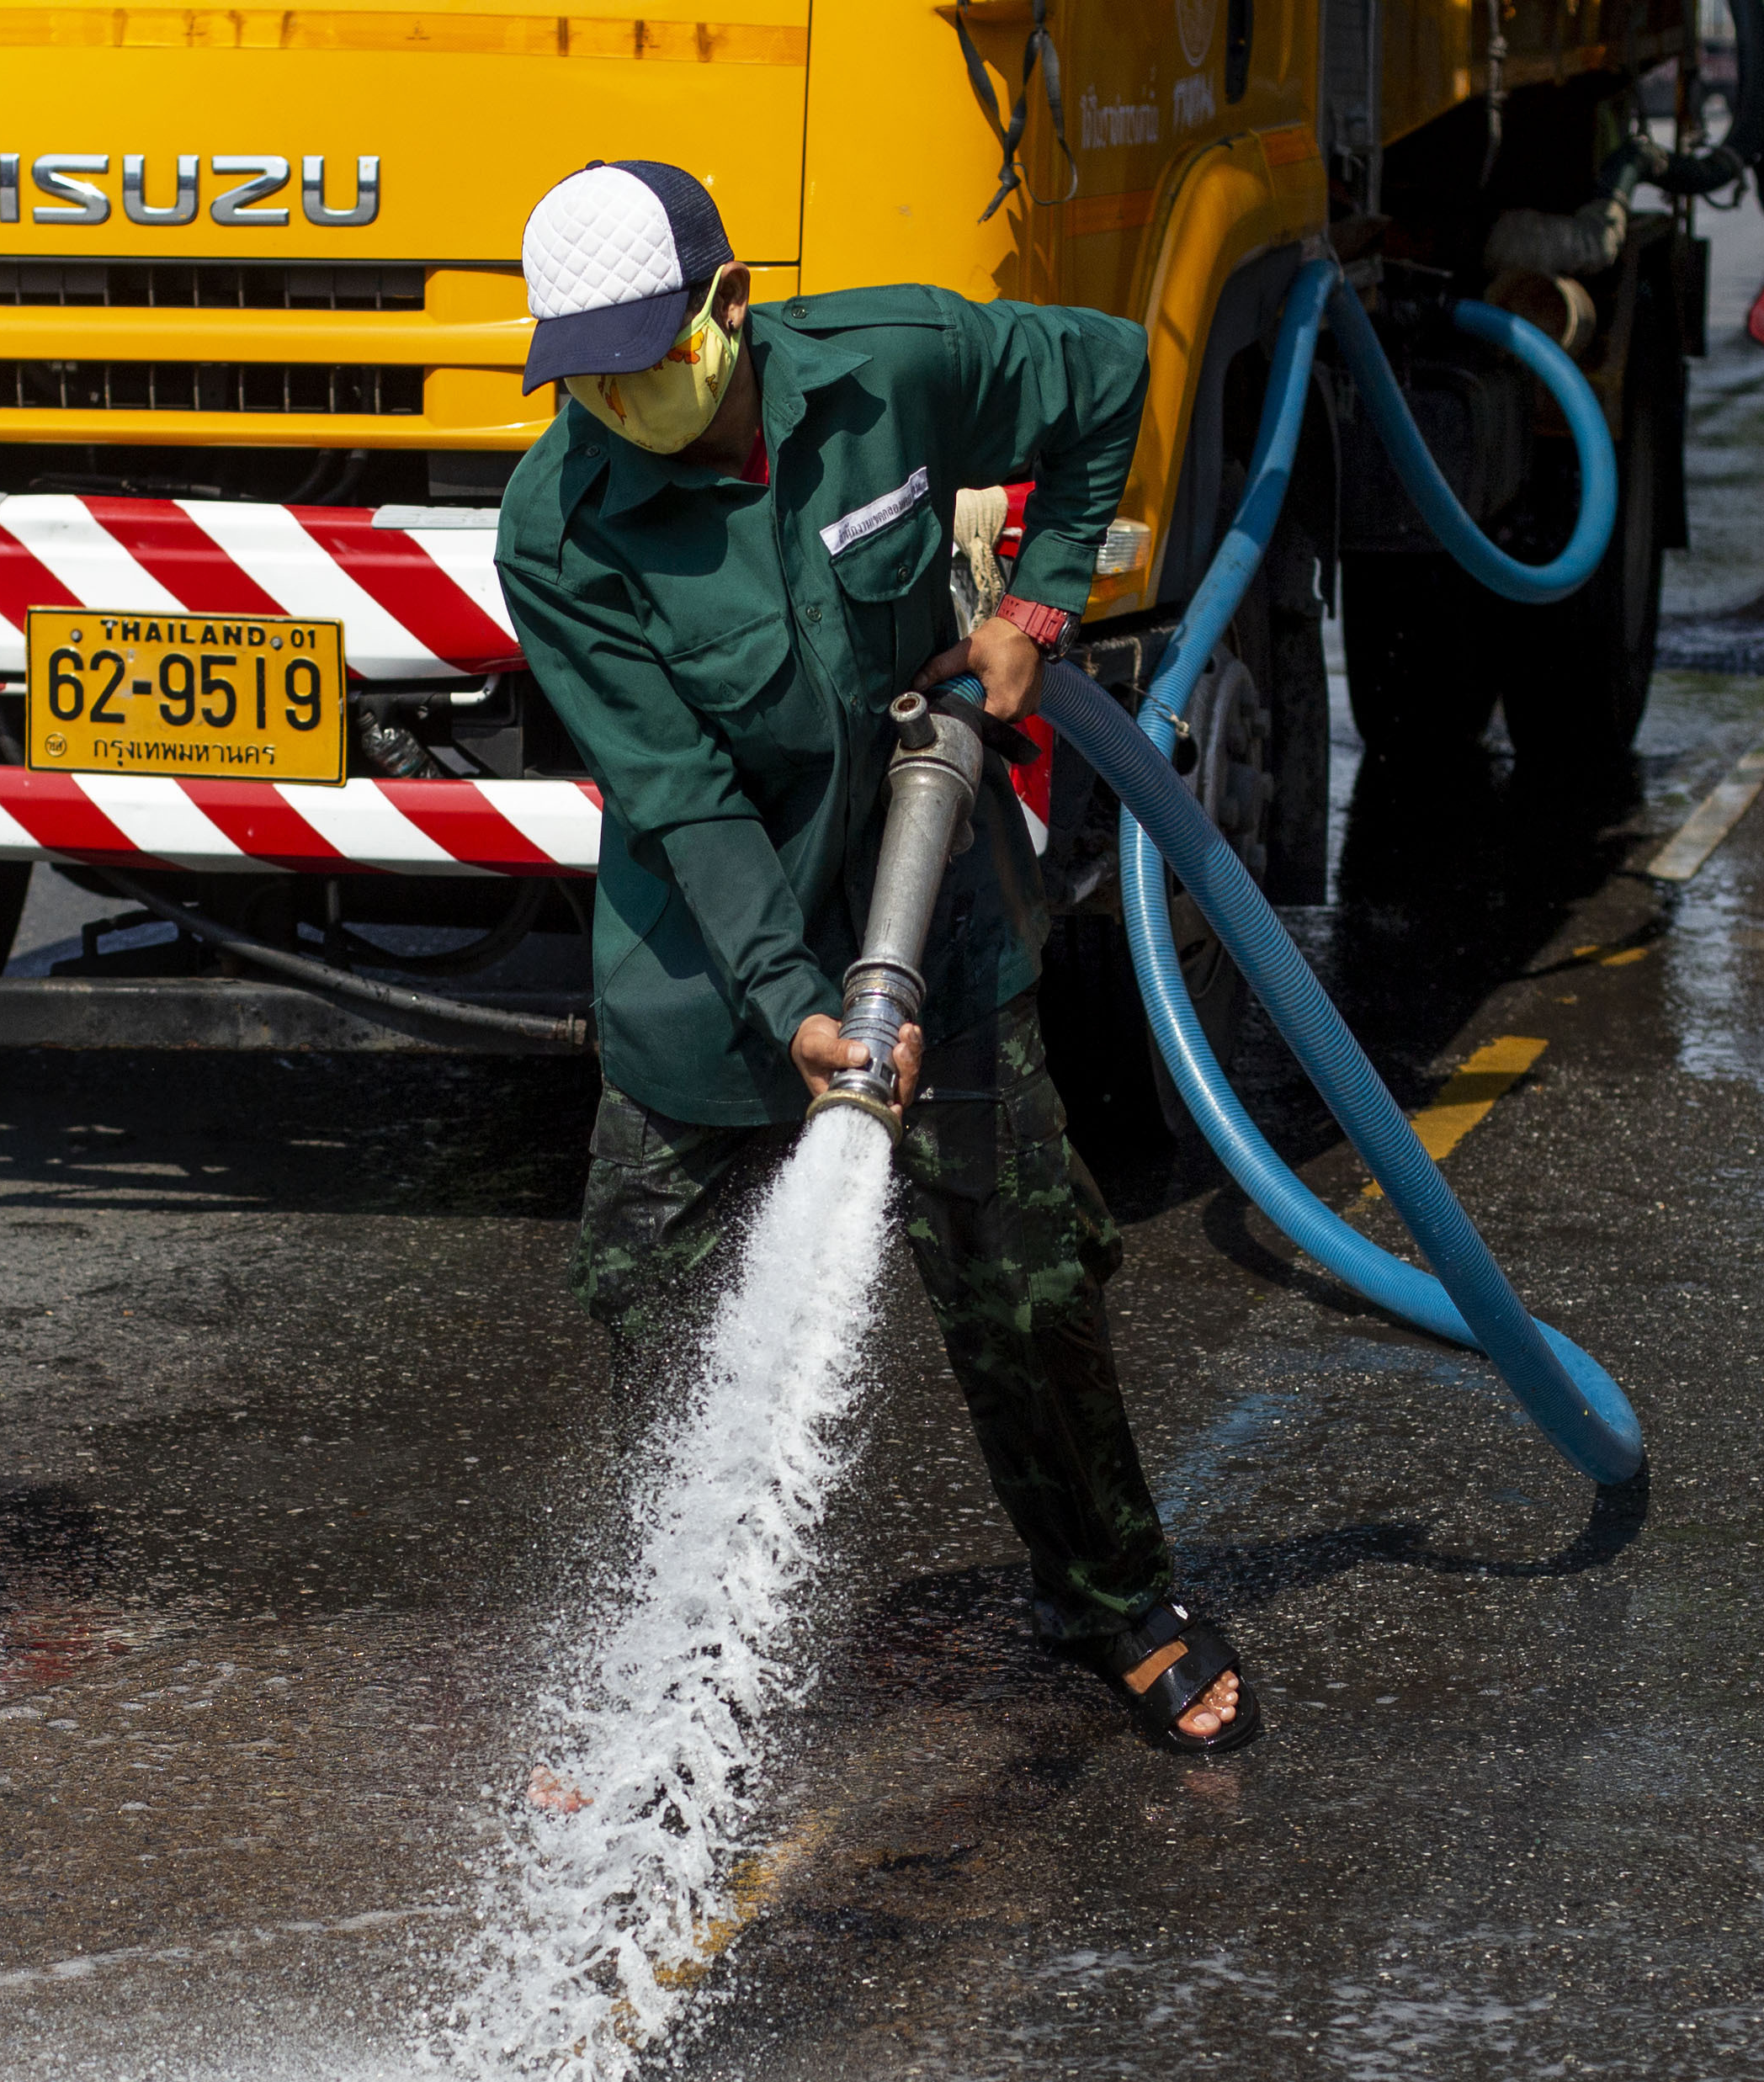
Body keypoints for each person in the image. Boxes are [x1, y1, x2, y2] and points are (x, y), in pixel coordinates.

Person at [494, 161, 1254, 1755]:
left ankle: (1113, 1596)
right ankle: (665, 1675)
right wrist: (796, 1010)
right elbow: (682, 799)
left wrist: (1039, 608)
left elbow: (1105, 379)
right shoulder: (557, 529)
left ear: (725, 309)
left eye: (644, 355)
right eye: (583, 373)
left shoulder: (887, 365)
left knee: (1028, 1284)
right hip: (714, 968)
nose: (614, 399)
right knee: (660, 1314)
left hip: (936, 901)